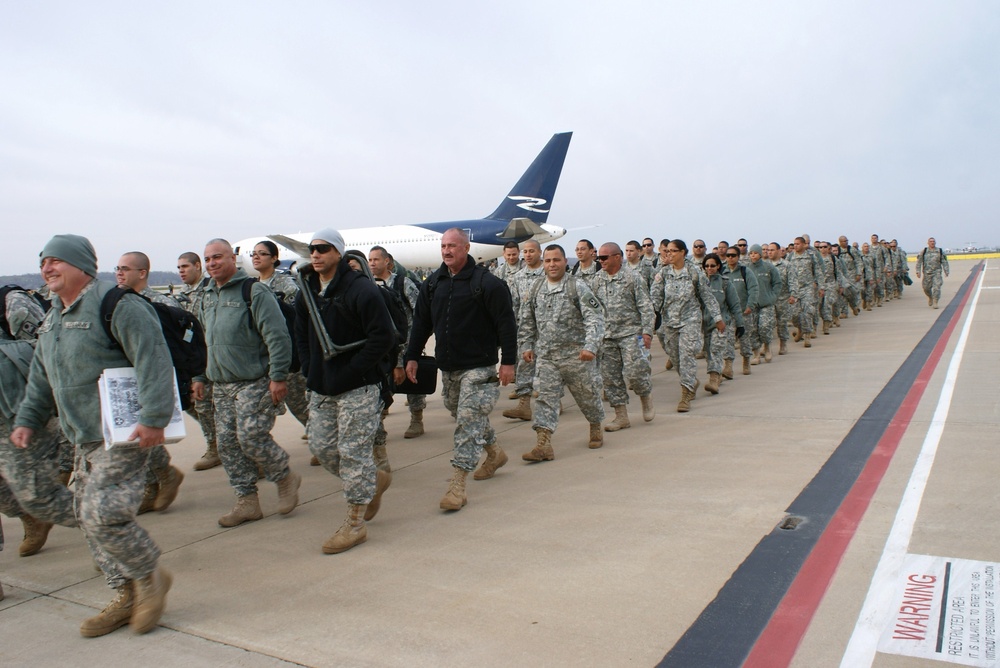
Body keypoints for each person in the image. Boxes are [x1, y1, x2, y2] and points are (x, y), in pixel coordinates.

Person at [12, 234, 174, 637]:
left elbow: (154, 358)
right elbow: (41, 378)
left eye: (55, 260)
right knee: (88, 518)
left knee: (102, 514)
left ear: (81, 265)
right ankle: (126, 594)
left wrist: (155, 417)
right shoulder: (53, 317)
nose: (47, 268)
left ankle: (149, 575)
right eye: (43, 261)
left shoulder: (117, 304)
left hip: (122, 433)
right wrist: (28, 419)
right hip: (81, 436)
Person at [296, 230, 396, 554]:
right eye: (312, 249)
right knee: (323, 447)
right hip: (322, 385)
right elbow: (300, 335)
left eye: (323, 248)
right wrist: (310, 368)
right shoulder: (306, 290)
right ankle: (372, 480)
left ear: (338, 253)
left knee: (353, 452)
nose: (315, 254)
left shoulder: (361, 289)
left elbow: (384, 337)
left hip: (359, 387)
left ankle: (355, 524)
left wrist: (353, 370)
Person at [404, 228, 517, 511]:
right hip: (449, 366)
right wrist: (412, 356)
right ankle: (495, 452)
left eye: (452, 245)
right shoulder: (433, 284)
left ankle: (457, 484)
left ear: (466, 248)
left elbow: (506, 324)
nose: (446, 251)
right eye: (443, 246)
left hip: (479, 366)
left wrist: (508, 362)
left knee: (467, 421)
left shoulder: (487, 283)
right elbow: (421, 323)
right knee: (460, 411)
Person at [191, 239, 300, 528]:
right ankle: (247, 501)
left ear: (232, 259)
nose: (212, 263)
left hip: (254, 381)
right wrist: (199, 376)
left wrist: (278, 376)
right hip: (221, 384)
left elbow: (277, 336)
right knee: (227, 445)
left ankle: (284, 477)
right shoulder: (206, 296)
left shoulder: (253, 291)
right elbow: (203, 342)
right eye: (207, 259)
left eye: (217, 257)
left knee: (251, 436)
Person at [1, 288, 76, 560]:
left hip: (15, 410)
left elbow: (48, 350)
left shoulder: (13, 302)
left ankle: (110, 526)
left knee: (37, 494)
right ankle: (31, 517)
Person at [518, 245, 606, 460]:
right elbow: (526, 320)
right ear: (543, 263)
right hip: (547, 357)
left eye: (556, 260)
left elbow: (595, 317)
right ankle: (543, 444)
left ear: (565, 262)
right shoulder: (536, 288)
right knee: (545, 399)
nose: (552, 265)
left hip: (576, 357)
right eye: (548, 260)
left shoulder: (577, 287)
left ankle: (595, 424)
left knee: (588, 397)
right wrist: (526, 345)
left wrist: (590, 346)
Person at [114, 252, 184, 515]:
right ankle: (151, 487)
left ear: (142, 273)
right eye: (117, 268)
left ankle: (165, 475)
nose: (119, 273)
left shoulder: (158, 302)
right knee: (134, 436)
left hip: (156, 377)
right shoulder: (117, 303)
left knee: (146, 432)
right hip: (129, 377)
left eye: (125, 268)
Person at [651, 240, 723, 412]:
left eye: (673, 251)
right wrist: (652, 317)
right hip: (670, 321)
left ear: (683, 252)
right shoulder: (664, 273)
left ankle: (686, 393)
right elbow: (655, 297)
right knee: (675, 357)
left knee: (686, 355)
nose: (669, 254)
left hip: (690, 320)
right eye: (667, 251)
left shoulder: (695, 272)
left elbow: (707, 297)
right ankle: (691, 380)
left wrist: (718, 318)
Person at [592, 242, 655, 431]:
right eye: (599, 258)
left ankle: (646, 397)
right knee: (610, 378)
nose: (601, 261)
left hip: (631, 334)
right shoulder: (597, 280)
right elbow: (592, 308)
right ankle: (621, 416)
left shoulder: (632, 278)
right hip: (607, 336)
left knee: (636, 372)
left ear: (617, 257)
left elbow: (646, 306)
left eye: (604, 257)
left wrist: (647, 332)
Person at [250, 241, 310, 433]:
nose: (256, 257)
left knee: (298, 402)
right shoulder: (251, 287)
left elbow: (299, 317)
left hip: (289, 352)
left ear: (274, 258)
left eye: (262, 253)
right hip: (263, 355)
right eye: (254, 254)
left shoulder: (286, 285)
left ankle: (317, 432)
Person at [369, 245, 424, 441]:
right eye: (370, 260)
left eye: (376, 259)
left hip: (406, 342)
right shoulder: (368, 286)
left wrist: (417, 341)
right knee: (380, 384)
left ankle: (417, 418)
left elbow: (419, 312)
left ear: (387, 262)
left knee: (412, 383)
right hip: (382, 347)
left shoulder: (402, 283)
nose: (372, 263)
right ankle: (380, 419)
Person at [176, 252, 219, 470]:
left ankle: (215, 447)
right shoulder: (182, 295)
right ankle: (217, 443)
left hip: (211, 356)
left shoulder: (211, 289)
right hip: (191, 358)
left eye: (185, 266)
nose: (181, 271)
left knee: (205, 404)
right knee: (192, 403)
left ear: (197, 266)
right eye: (179, 268)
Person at [503, 239, 543, 420]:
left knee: (547, 367)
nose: (528, 255)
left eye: (531, 251)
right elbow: (514, 304)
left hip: (547, 328)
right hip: (526, 329)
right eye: (525, 251)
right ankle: (524, 405)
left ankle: (553, 402)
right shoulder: (518, 277)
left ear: (539, 252)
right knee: (524, 365)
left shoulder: (548, 273)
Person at [701, 253, 743, 394]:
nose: (709, 268)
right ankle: (717, 374)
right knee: (708, 352)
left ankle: (713, 380)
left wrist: (740, 324)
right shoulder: (700, 282)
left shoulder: (725, 283)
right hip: (703, 324)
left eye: (712, 265)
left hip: (721, 324)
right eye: (706, 266)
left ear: (718, 266)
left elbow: (735, 305)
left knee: (716, 349)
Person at [721, 247, 759, 375]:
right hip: (728, 313)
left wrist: (750, 305)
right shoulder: (722, 271)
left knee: (744, 338)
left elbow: (753, 289)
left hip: (743, 312)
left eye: (733, 255)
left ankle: (746, 360)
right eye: (728, 255)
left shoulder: (745, 271)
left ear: (738, 257)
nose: (730, 258)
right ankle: (728, 366)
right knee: (728, 339)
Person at [746, 244, 780, 364]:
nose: (753, 255)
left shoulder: (768, 267)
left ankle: (767, 347)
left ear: (760, 254)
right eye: (751, 253)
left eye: (755, 253)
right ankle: (756, 354)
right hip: (752, 305)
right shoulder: (746, 269)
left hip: (766, 303)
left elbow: (777, 283)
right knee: (753, 330)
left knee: (765, 327)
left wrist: (773, 296)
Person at [787, 237, 821, 347]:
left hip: (808, 288)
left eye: (798, 244)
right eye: (794, 244)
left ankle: (807, 336)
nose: (795, 246)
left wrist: (819, 285)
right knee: (794, 314)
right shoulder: (790, 256)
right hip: (794, 289)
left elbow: (818, 271)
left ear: (803, 244)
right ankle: (800, 329)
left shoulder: (810, 256)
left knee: (807, 312)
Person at [915, 237, 949, 309]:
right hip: (927, 273)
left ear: (935, 242)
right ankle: (930, 297)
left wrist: (946, 270)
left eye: (933, 241)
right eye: (930, 241)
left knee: (937, 287)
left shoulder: (940, 251)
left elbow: (944, 261)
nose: (932, 242)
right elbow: (919, 262)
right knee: (926, 288)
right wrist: (918, 271)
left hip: (937, 272)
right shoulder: (924, 251)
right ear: (928, 243)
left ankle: (935, 301)